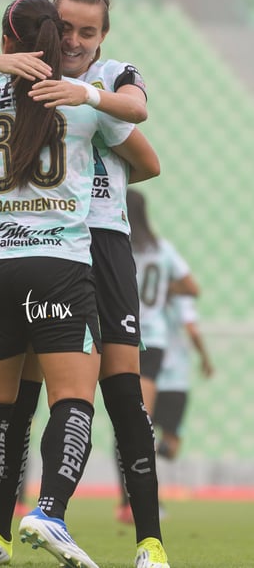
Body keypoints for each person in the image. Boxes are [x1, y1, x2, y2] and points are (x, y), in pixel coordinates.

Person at [0, 0, 167, 568]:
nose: (76, 40)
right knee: (63, 398)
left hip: (3, 260)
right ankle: (42, 514)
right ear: (48, 33)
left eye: (89, 32)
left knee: (1, 407)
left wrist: (3, 64)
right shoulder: (75, 101)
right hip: (59, 260)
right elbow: (142, 141)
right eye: (66, 30)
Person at [115, 188, 200, 525]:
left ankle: (131, 501)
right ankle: (145, 501)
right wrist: (164, 287)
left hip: (122, 336)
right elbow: (192, 287)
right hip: (154, 342)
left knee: (128, 424)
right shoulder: (162, 250)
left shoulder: (117, 246)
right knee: (139, 423)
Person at [153, 295, 214, 462]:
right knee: (172, 445)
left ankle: (143, 449)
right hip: (175, 380)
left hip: (148, 374)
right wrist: (205, 359)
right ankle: (149, 449)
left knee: (140, 431)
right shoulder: (182, 298)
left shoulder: (145, 293)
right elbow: (192, 329)